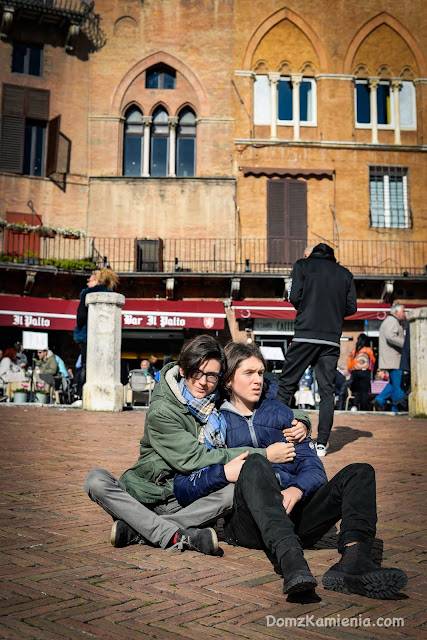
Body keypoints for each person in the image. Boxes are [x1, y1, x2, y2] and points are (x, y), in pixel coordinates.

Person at [174, 342, 408, 599]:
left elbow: (315, 468)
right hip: (249, 527)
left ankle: (355, 562)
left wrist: (297, 488)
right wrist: (224, 472)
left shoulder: (282, 415)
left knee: (360, 472)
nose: (257, 381)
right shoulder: (214, 422)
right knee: (255, 462)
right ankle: (292, 563)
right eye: (249, 373)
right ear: (228, 380)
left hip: (296, 519)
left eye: (261, 373)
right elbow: (185, 486)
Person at [84, 335, 296, 556]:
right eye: (196, 372)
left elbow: (263, 401)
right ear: (183, 370)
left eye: (211, 375)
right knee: (95, 479)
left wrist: (300, 421)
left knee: (235, 491)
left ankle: (139, 530)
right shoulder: (163, 410)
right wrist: (263, 454)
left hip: (187, 495)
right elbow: (192, 459)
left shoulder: (215, 397)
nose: (203, 381)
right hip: (146, 493)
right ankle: (175, 535)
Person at [277, 243, 357, 457]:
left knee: (286, 385)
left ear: (309, 254)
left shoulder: (303, 265)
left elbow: (294, 297)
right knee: (327, 393)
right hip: (331, 339)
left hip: (305, 334)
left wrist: (309, 306)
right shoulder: (345, 274)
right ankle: (322, 443)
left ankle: (275, 434)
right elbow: (352, 308)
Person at [73, 268, 119, 403]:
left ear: (97, 281)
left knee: (85, 365)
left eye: (89, 280)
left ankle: (81, 394)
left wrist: (80, 328)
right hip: (108, 338)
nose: (87, 283)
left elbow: (81, 316)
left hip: (89, 335)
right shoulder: (111, 295)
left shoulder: (87, 294)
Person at [371, 303, 405, 413]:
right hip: (394, 358)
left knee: (394, 383)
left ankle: (379, 400)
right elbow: (391, 336)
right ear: (396, 312)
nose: (404, 314)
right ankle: (397, 408)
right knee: (398, 385)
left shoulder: (389, 321)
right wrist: (406, 344)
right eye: (403, 311)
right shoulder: (392, 321)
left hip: (391, 358)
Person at [347, 334, 376, 411]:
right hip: (365, 372)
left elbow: (349, 362)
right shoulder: (368, 350)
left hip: (355, 372)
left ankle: (355, 405)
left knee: (358, 390)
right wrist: (370, 369)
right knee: (364, 391)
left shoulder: (354, 350)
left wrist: (351, 371)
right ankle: (364, 408)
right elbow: (372, 361)